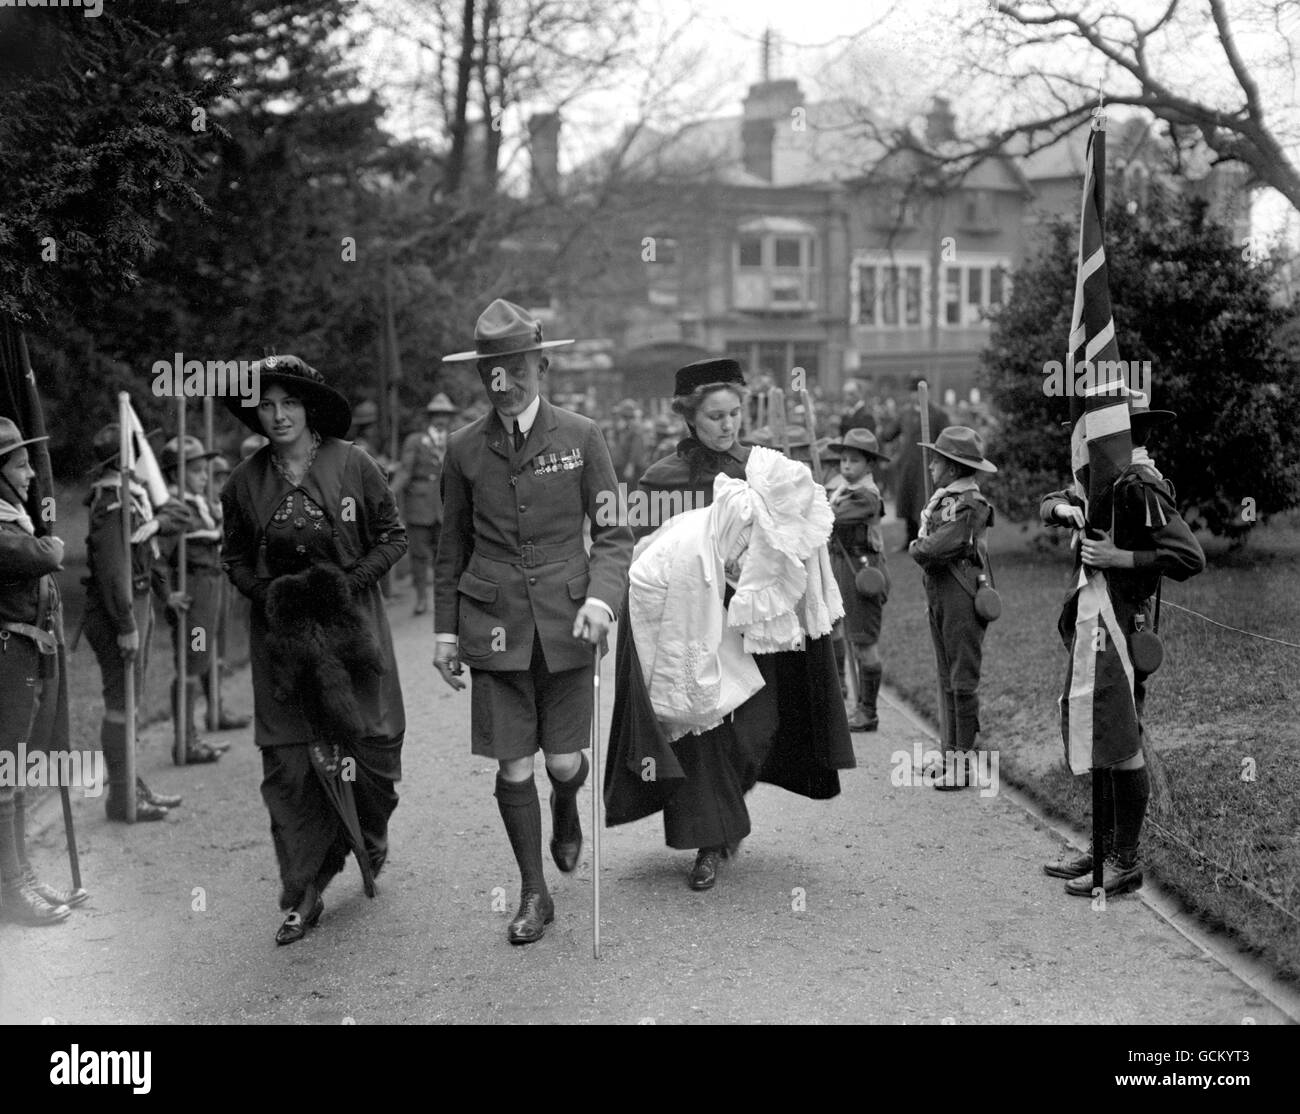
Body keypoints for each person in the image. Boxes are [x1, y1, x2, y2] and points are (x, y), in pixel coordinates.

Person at [607, 358, 856, 892]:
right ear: (690, 419)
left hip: (754, 627)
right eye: (715, 416)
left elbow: (799, 541)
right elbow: (646, 558)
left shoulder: (763, 470)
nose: (727, 425)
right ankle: (709, 841)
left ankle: (727, 811)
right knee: (702, 732)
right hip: (690, 632)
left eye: (734, 414)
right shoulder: (662, 479)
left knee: (755, 729)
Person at [434, 298, 633, 946]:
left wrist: (601, 602)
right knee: (513, 764)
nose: (504, 382)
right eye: (491, 371)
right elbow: (450, 547)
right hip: (493, 626)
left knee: (563, 759)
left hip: (569, 620)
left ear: (540, 364)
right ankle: (533, 892)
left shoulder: (580, 435)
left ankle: (567, 801)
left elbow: (613, 533)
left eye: (516, 368)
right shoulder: (462, 448)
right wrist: (444, 632)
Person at [221, 356, 408, 945]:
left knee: (370, 751)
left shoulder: (353, 464)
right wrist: (272, 595)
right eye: (267, 406)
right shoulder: (243, 483)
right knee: (291, 766)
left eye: (289, 404)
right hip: (284, 643)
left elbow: (392, 535)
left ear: (309, 410)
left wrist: (348, 585)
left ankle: (369, 835)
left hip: (353, 632)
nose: (277, 416)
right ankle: (304, 892)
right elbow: (231, 557)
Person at [1040, 391, 1204, 897]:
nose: (1088, 440)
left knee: (1121, 737)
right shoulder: (1104, 481)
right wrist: (1065, 509)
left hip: (1121, 622)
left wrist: (1120, 557)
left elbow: (1188, 556)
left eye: (1100, 433)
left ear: (1126, 437)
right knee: (1102, 731)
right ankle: (1103, 845)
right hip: (1095, 622)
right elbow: (1049, 501)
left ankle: (1126, 860)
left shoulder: (1138, 483)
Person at [0, 418, 85, 924]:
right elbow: (49, 554)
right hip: (6, 660)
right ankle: (12, 887)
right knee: (4, 775)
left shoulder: (14, 521)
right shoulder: (8, 534)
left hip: (22, 659)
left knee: (13, 772)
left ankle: (23, 875)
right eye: (20, 463)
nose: (32, 473)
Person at [82, 422, 189, 822]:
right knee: (121, 703)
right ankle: (123, 797)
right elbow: (112, 573)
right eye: (138, 454)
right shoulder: (113, 504)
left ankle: (130, 784)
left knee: (131, 701)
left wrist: (162, 596)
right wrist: (126, 624)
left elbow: (150, 551)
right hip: (117, 611)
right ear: (126, 460)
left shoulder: (132, 498)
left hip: (135, 603)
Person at [907, 426, 997, 790]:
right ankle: (949, 755)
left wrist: (917, 547)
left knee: (962, 679)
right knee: (947, 676)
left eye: (937, 461)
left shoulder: (971, 504)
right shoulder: (948, 498)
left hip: (961, 592)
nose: (930, 466)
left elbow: (939, 546)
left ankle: (961, 764)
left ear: (953, 469)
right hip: (941, 591)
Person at [157, 435, 233, 764]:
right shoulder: (176, 509)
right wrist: (167, 594)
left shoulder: (199, 504)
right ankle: (184, 740)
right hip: (194, 591)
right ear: (176, 475)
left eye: (206, 470)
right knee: (191, 661)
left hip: (210, 586)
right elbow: (158, 556)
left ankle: (191, 736)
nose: (205, 477)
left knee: (200, 659)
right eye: (197, 470)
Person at [825, 428, 891, 732]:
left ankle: (868, 711)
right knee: (835, 627)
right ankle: (839, 692)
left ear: (869, 466)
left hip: (862, 570)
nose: (846, 466)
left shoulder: (866, 495)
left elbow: (832, 518)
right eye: (843, 460)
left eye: (854, 461)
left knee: (864, 639)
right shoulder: (840, 490)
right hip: (840, 565)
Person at [391, 393, 459, 617]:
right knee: (419, 556)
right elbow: (405, 472)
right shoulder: (415, 440)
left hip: (446, 505)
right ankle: (421, 598)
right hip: (418, 507)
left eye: (445, 415)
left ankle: (444, 600)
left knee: (446, 556)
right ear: (430, 417)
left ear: (450, 418)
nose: (441, 419)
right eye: (437, 414)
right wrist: (389, 495)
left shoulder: (456, 439)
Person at [880, 378, 949, 547]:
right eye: (912, 391)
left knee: (928, 502)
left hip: (930, 466)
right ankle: (910, 540)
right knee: (908, 502)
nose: (915, 395)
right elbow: (889, 434)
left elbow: (946, 440)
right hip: (908, 465)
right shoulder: (905, 413)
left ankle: (931, 539)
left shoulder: (937, 414)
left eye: (918, 390)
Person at [609, 399, 647, 486]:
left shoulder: (635, 429)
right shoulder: (619, 429)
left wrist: (631, 465)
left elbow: (636, 449)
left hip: (631, 468)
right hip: (620, 466)